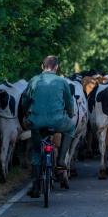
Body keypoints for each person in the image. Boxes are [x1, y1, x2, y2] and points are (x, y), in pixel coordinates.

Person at [20, 55, 75, 198]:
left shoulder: (34, 80)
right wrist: (70, 114)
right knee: (71, 128)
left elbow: (25, 100)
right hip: (58, 121)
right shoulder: (62, 81)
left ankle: (36, 187)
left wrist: (26, 114)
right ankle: (62, 160)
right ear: (56, 67)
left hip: (37, 122)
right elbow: (69, 102)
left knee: (37, 152)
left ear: (42, 66)